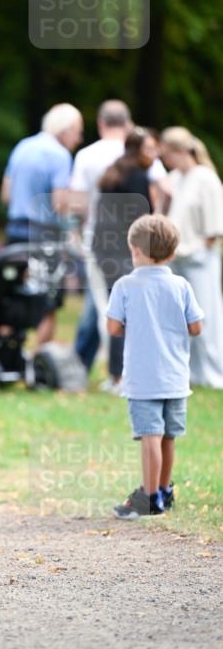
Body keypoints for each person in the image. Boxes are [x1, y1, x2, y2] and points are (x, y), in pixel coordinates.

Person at [106, 214, 203, 519]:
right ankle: (163, 491)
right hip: (176, 377)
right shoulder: (181, 285)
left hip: (143, 378)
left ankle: (148, 499)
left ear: (134, 249)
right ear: (172, 254)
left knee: (150, 436)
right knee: (168, 437)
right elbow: (196, 327)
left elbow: (113, 328)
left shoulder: (125, 285)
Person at [68, 100, 167, 374]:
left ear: (100, 123)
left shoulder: (88, 155)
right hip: (133, 244)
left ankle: (94, 366)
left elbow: (77, 203)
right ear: (128, 123)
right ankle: (112, 368)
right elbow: (164, 189)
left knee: (104, 305)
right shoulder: (142, 160)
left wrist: (78, 230)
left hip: (99, 239)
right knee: (120, 306)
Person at [0, 103, 83, 344]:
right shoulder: (60, 155)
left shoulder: (22, 146)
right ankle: (40, 356)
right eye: (78, 132)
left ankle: (6, 352)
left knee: (12, 294)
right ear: (66, 129)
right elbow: (59, 203)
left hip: (15, 231)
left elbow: (6, 195)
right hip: (44, 235)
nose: (78, 139)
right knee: (48, 301)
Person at [92, 127, 159, 390]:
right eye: (150, 149)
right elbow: (143, 221)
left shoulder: (115, 172)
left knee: (118, 309)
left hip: (105, 250)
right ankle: (124, 375)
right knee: (129, 312)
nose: (155, 154)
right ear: (137, 150)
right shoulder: (137, 177)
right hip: (124, 252)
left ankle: (116, 375)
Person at [161, 127, 223, 389]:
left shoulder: (206, 179)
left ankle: (215, 373)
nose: (166, 161)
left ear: (181, 152)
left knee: (206, 315)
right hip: (176, 258)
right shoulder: (174, 178)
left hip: (200, 259)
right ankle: (191, 372)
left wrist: (195, 249)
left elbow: (213, 227)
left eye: (168, 155)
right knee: (181, 319)